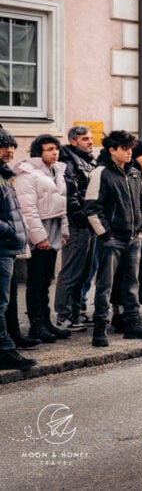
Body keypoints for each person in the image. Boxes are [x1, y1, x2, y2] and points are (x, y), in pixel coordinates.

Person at [84, 130, 142, 347]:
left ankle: (132, 323)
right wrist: (106, 235)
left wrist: (141, 230)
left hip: (134, 238)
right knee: (105, 285)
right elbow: (92, 208)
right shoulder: (102, 173)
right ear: (112, 150)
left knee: (131, 283)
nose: (129, 153)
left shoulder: (134, 174)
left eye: (130, 149)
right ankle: (100, 328)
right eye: (124, 149)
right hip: (113, 239)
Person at [14, 134, 71, 343]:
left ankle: (46, 322)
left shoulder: (57, 170)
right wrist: (39, 237)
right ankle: (36, 325)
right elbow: (28, 209)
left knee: (47, 280)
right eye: (49, 149)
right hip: (40, 230)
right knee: (36, 281)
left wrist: (63, 232)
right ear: (39, 152)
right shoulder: (28, 174)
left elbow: (61, 204)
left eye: (56, 149)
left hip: (54, 228)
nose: (54, 152)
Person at [53, 125, 97, 330]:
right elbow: (71, 197)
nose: (90, 141)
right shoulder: (69, 163)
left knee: (84, 271)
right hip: (77, 224)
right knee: (71, 271)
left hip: (88, 223)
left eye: (91, 138)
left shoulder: (87, 161)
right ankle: (63, 316)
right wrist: (82, 219)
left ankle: (77, 312)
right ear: (73, 141)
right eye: (85, 139)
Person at [0, 126, 35, 370]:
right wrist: (11, 232)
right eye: (4, 146)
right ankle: (4, 350)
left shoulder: (4, 176)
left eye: (12, 146)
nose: (10, 150)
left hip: (8, 248)